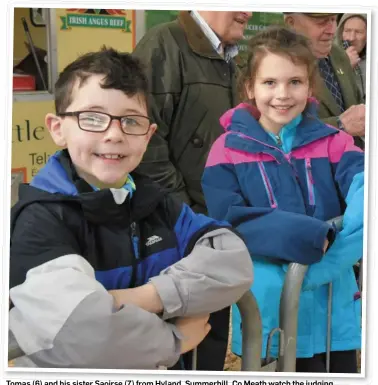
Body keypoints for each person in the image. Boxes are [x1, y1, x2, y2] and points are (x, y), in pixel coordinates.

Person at [8, 47, 254, 370]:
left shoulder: (158, 204)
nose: (114, 134)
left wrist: (143, 297)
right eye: (92, 118)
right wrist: (175, 339)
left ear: (149, 134)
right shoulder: (39, 219)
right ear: (57, 129)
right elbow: (85, 334)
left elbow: (232, 260)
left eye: (131, 121)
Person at [202, 26, 363, 373]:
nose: (283, 94)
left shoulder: (334, 143)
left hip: (332, 316)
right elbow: (231, 221)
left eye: (295, 82)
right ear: (250, 88)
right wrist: (313, 236)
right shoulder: (226, 151)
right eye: (269, 82)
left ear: (310, 86)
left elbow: (369, 198)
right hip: (268, 319)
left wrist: (321, 268)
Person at [132, 10, 252, 370]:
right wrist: (185, 215)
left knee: (210, 340)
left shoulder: (233, 57)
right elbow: (146, 143)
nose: (248, 10)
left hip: (214, 227)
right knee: (178, 346)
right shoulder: (164, 44)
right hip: (177, 231)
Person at [284, 12, 365, 149]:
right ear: (291, 23)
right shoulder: (275, 65)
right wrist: (339, 125)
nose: (332, 30)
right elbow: (278, 133)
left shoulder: (339, 55)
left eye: (333, 20)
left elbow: (357, 104)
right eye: (321, 22)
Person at [335, 13, 367, 101]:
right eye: (347, 31)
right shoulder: (328, 59)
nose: (351, 38)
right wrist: (345, 67)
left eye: (358, 32)